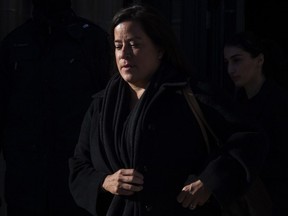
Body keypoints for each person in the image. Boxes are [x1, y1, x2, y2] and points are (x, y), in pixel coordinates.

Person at [69, 4, 268, 216]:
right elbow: (79, 167)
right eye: (118, 46)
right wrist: (104, 182)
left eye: (134, 44)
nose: (124, 54)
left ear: (160, 49)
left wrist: (210, 181)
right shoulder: (100, 106)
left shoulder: (192, 94)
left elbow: (250, 139)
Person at [0, 0, 111, 215]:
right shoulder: (15, 43)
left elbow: (105, 109)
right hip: (27, 177)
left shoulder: (91, 40)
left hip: (75, 176)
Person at [224, 31, 288, 216]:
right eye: (227, 62)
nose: (230, 70)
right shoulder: (235, 103)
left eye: (237, 60)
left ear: (259, 60)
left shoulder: (278, 102)